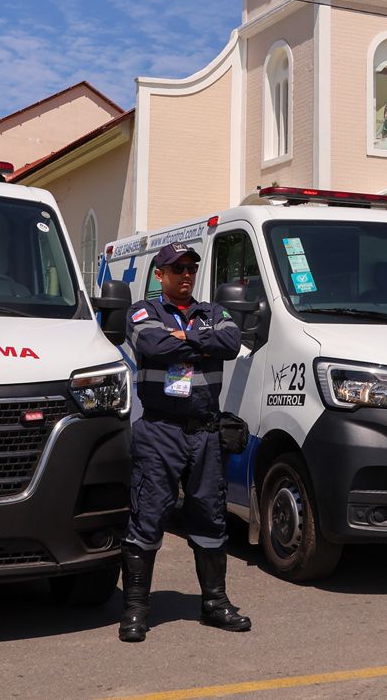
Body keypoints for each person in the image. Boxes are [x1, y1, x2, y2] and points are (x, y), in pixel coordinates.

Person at [117, 242, 251, 642]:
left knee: (210, 517)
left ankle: (215, 603)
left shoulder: (213, 311)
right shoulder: (144, 311)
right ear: (161, 276)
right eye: (177, 269)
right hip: (160, 430)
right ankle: (137, 610)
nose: (186, 275)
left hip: (206, 433)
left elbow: (230, 343)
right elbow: (152, 344)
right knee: (148, 517)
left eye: (191, 268)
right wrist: (197, 339)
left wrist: (185, 335)